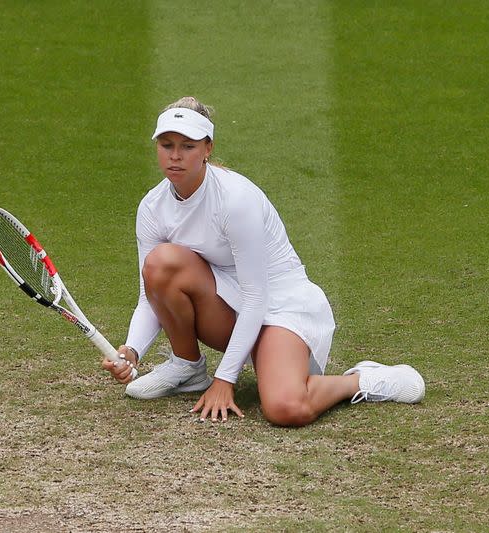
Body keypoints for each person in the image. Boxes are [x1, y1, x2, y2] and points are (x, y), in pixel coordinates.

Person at [102, 97, 425, 427]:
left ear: (207, 149)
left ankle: (362, 380)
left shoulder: (235, 199)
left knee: (286, 409)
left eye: (187, 146)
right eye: (166, 145)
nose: (175, 155)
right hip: (228, 305)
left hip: (281, 305)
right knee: (161, 264)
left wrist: (226, 380)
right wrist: (131, 351)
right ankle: (187, 367)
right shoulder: (153, 207)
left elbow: (257, 297)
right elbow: (149, 296)